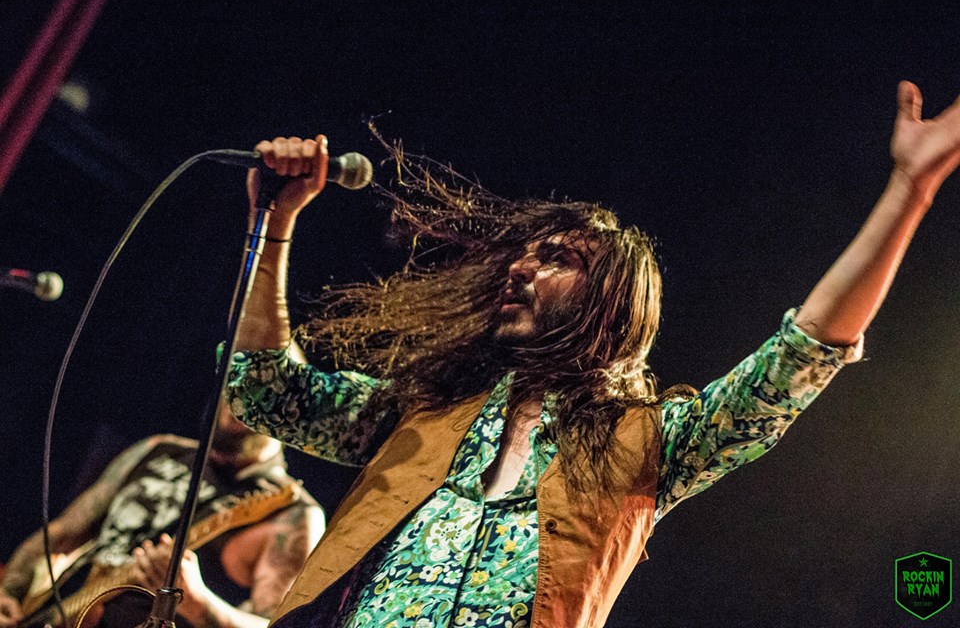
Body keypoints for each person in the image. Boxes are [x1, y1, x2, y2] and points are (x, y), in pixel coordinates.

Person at [223, 81, 960, 628]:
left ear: (614, 301)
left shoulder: (651, 443)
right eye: (525, 255)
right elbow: (263, 389)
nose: (521, 268)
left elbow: (800, 354)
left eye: (557, 259)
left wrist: (909, 189)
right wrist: (272, 221)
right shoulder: (422, 414)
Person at [0, 405, 325, 628]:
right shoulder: (160, 449)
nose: (235, 403)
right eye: (235, 383)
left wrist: (199, 603)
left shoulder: (293, 514)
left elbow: (275, 624)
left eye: (259, 390)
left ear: (291, 410)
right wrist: (10, 593)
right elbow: (61, 534)